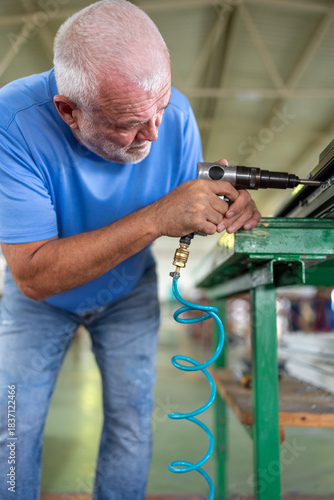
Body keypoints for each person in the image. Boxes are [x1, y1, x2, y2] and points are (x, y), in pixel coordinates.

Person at [0, 1, 261, 499]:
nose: (155, 134)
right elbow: (33, 275)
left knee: (132, 425)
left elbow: (188, 203)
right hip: (40, 302)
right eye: (128, 124)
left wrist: (222, 210)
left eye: (158, 109)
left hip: (127, 293)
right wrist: (158, 216)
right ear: (68, 111)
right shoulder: (13, 125)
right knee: (13, 428)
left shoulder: (177, 116)